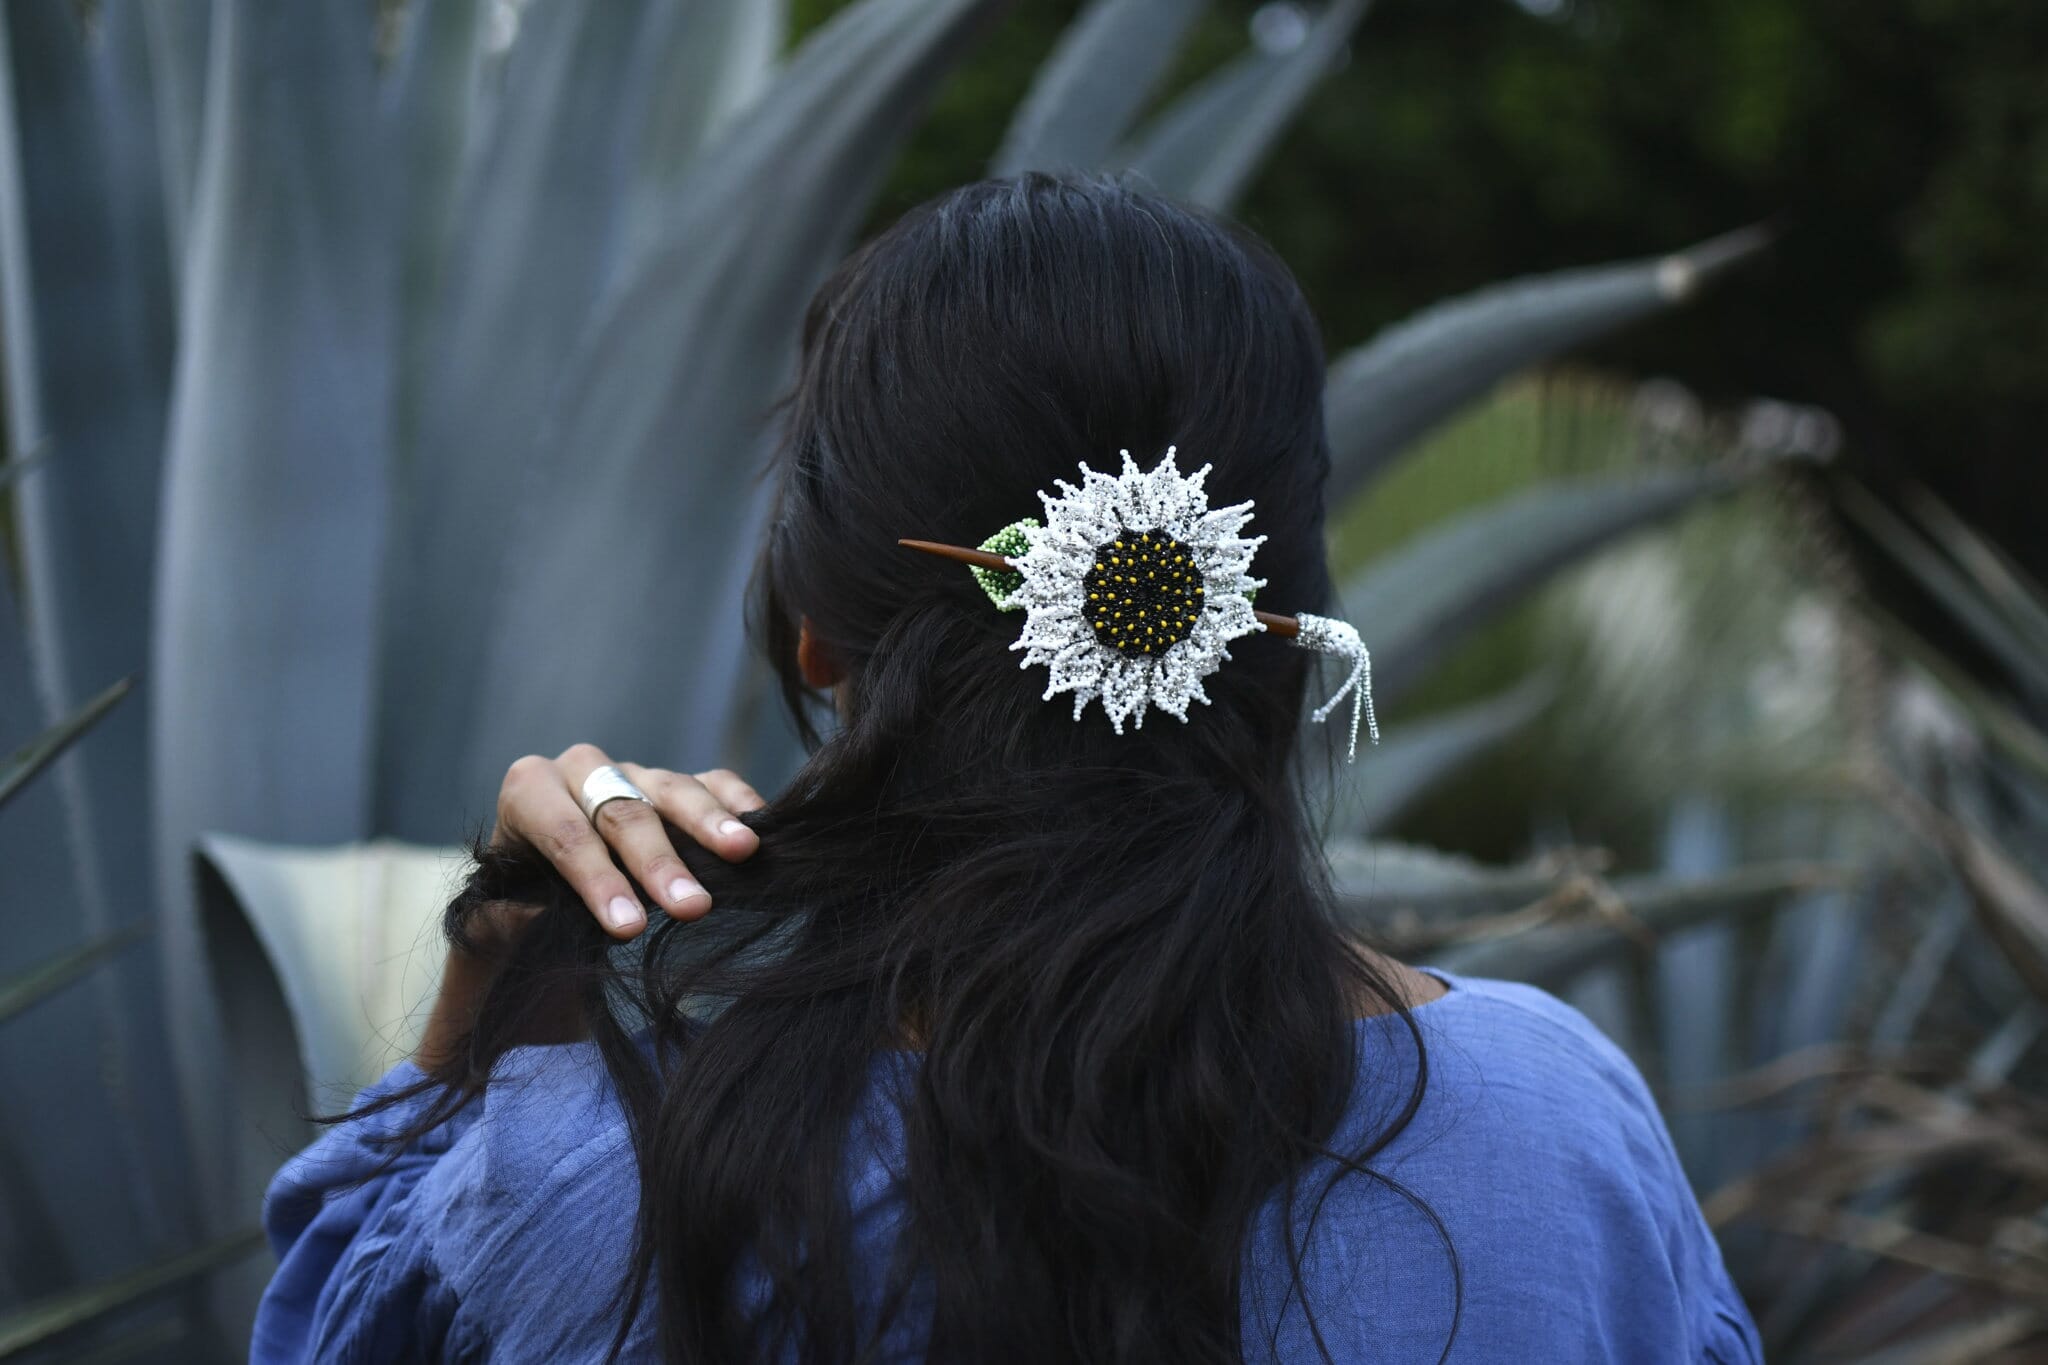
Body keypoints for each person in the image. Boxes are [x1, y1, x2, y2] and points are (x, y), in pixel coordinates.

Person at [250, 174, 1761, 1363]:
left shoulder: (603, 1193)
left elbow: (329, 1325)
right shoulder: (1562, 1139)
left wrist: (491, 983)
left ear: (823, 637)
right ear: (1284, 631)